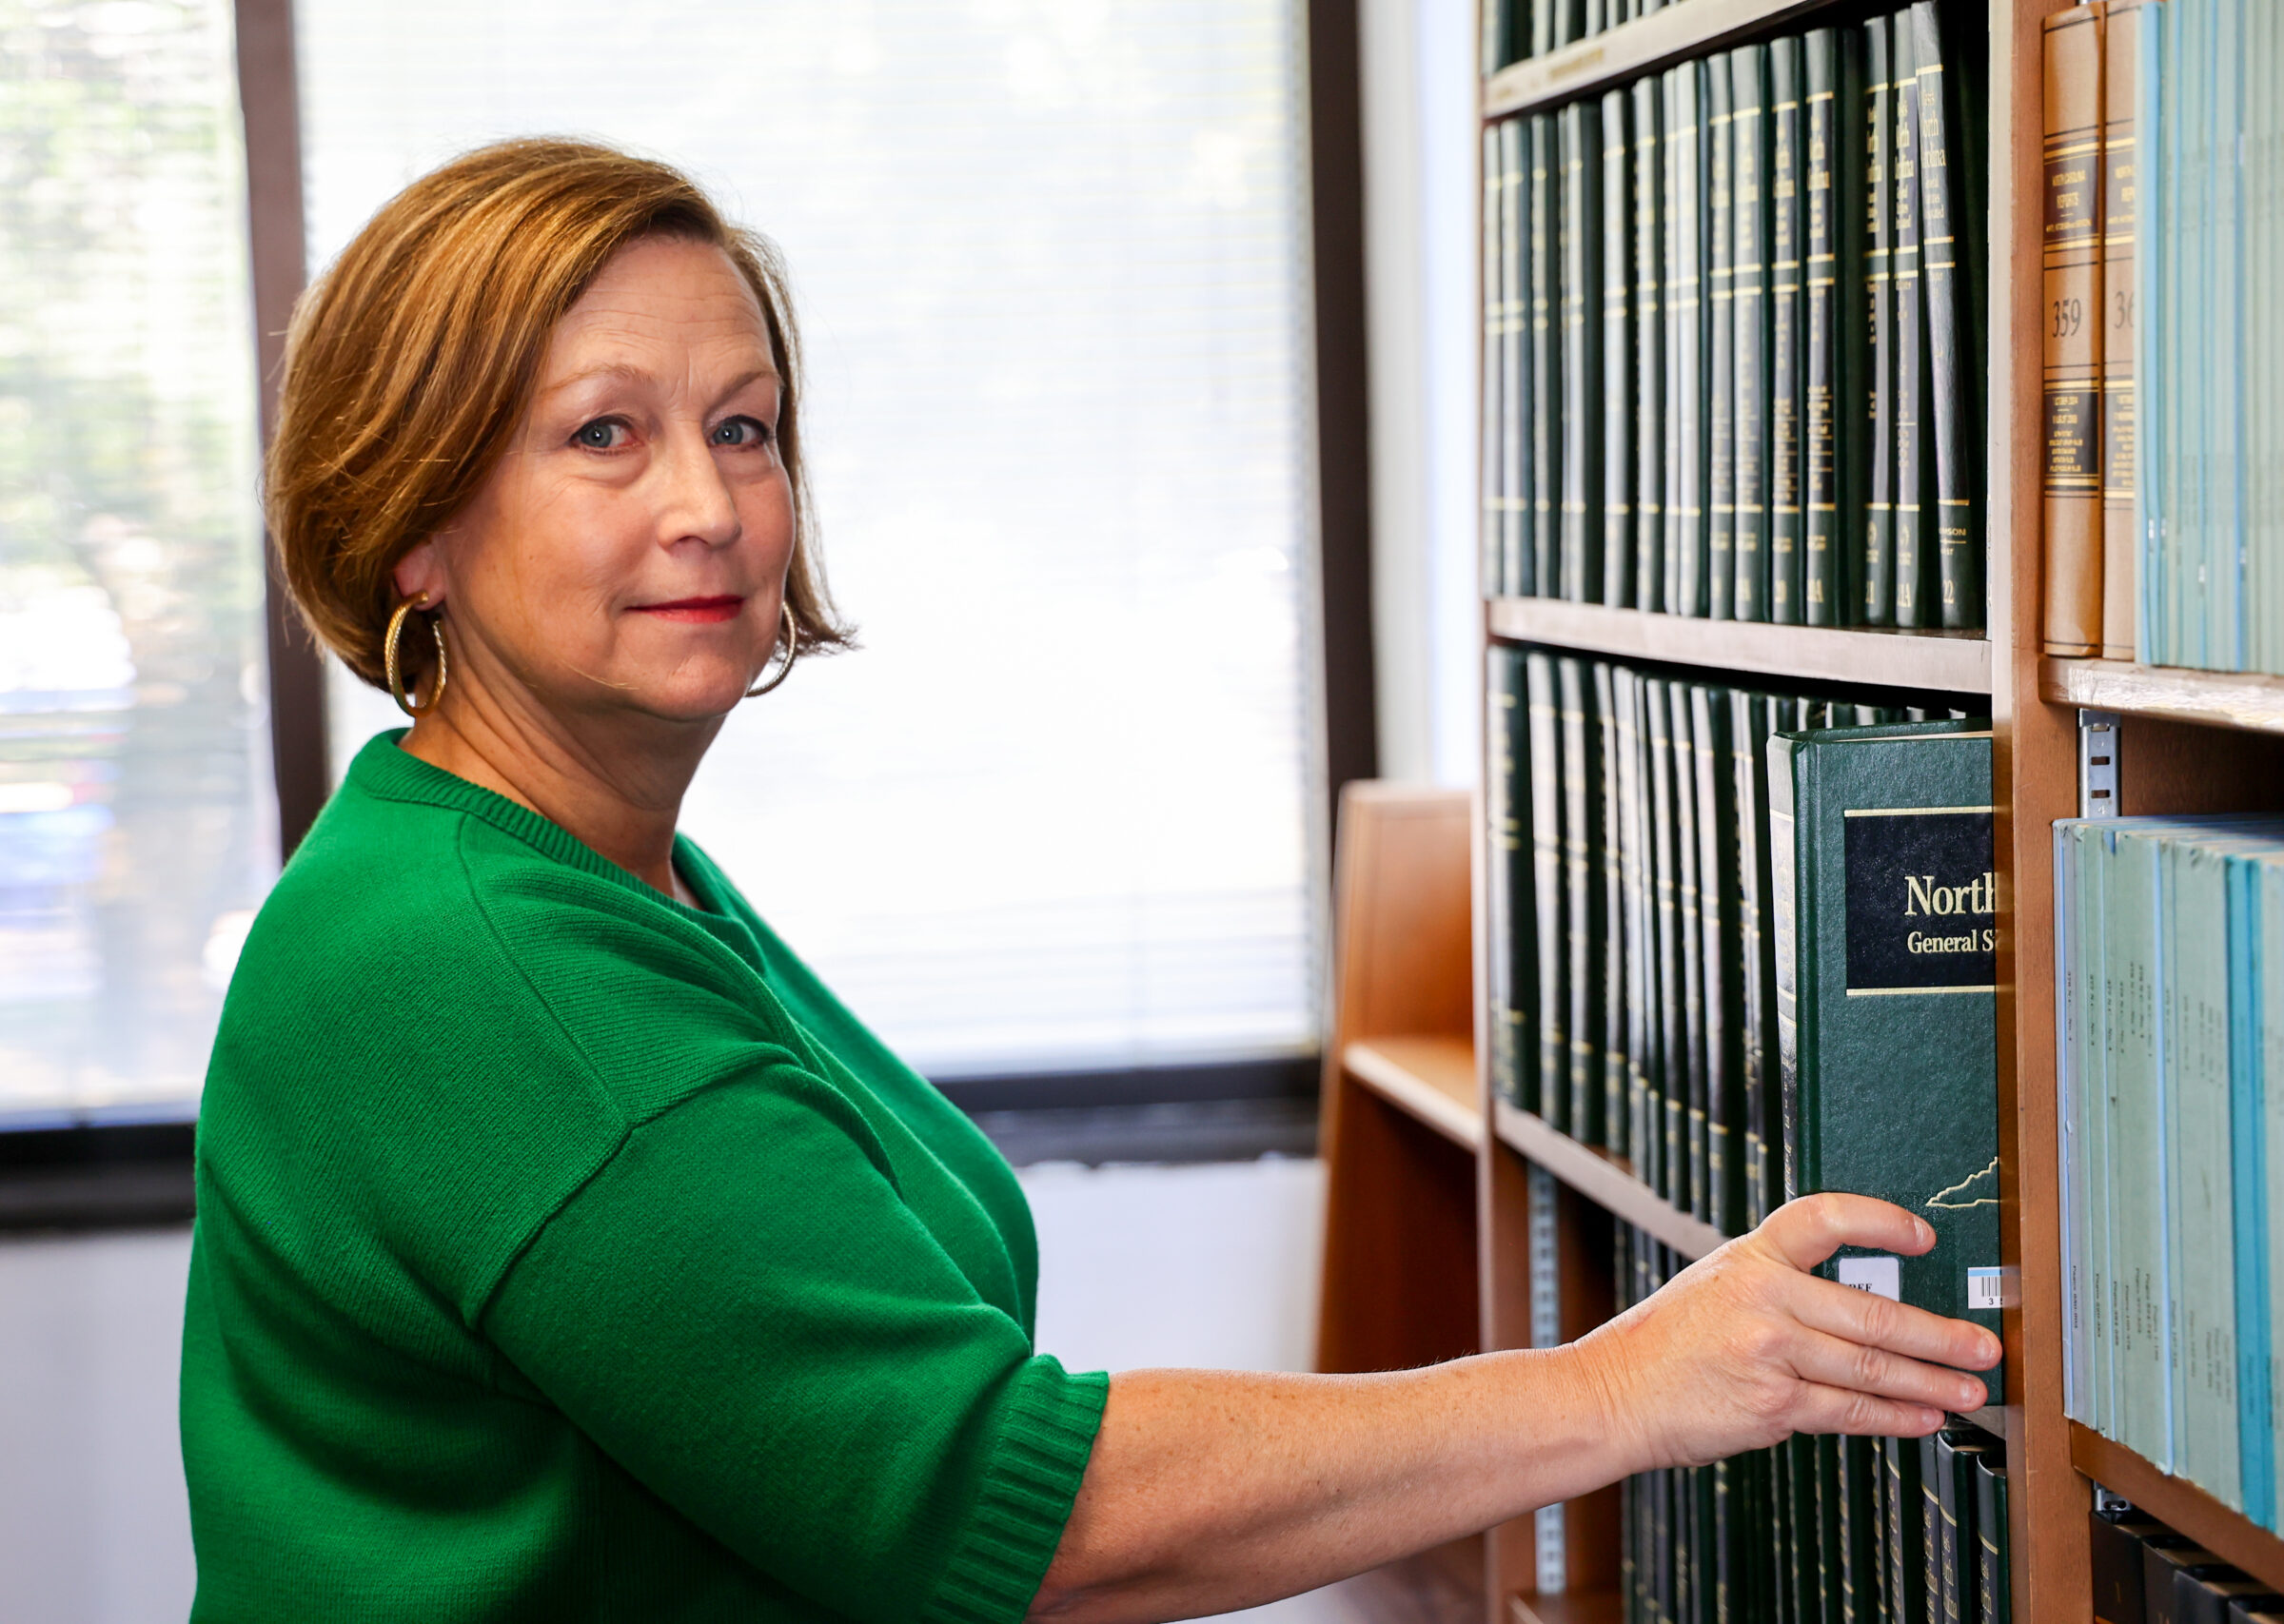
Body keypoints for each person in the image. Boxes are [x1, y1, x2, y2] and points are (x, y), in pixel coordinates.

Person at [179, 138, 1999, 1624]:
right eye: (604, 434)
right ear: (414, 519)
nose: (710, 508)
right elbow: (1006, 1511)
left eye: (743, 426)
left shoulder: (569, 871)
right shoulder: (490, 967)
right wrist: (1617, 1389)